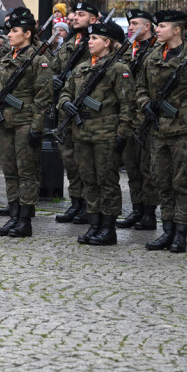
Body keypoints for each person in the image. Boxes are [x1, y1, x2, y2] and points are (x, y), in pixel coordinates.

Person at [137, 10, 187, 253]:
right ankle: (167, 230)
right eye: (157, 26)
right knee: (162, 181)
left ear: (177, 29)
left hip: (184, 132)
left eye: (162, 26)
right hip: (159, 130)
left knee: (184, 183)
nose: (157, 30)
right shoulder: (152, 56)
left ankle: (181, 232)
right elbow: (140, 87)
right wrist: (145, 103)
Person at [57, 21, 134, 245]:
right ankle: (94, 224)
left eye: (95, 39)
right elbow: (65, 92)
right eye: (89, 38)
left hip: (106, 134)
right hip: (82, 133)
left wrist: (122, 134)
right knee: (88, 181)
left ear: (107, 43)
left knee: (107, 181)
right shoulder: (81, 68)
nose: (89, 42)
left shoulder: (119, 69)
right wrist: (66, 104)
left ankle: (108, 229)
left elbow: (127, 105)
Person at [0, 7, 52, 238]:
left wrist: (36, 126)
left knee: (26, 173)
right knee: (10, 172)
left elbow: (43, 97)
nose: (10, 35)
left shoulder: (38, 60)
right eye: (9, 31)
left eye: (14, 31)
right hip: (5, 123)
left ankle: (25, 220)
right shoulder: (5, 58)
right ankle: (13, 216)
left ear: (28, 34)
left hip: (25, 123)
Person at [53, 2, 101, 224]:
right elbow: (56, 68)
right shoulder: (69, 44)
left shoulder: (97, 44)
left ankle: (88, 206)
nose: (75, 18)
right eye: (75, 15)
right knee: (70, 160)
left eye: (82, 15)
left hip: (85, 111)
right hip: (66, 106)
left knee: (84, 162)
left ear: (93, 19)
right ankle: (76, 202)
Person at [118, 9, 159, 231]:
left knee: (147, 169)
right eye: (129, 24)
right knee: (132, 168)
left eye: (134, 24)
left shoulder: (155, 50)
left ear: (147, 26)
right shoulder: (128, 50)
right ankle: (137, 209)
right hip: (128, 116)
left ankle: (149, 213)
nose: (130, 28)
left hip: (146, 117)